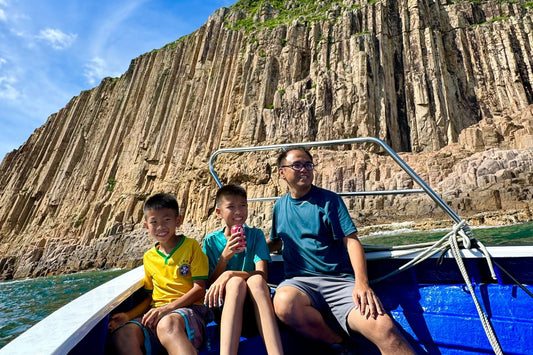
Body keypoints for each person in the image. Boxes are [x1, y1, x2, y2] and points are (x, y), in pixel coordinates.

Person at [269, 147, 414, 355]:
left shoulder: (329, 200)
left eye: (308, 165)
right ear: (282, 172)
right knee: (283, 303)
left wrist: (361, 283)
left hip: (339, 281)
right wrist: (249, 243)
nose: (304, 170)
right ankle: (339, 343)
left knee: (384, 328)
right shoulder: (279, 206)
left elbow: (352, 241)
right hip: (300, 283)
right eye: (297, 165)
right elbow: (276, 243)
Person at [109, 193, 210, 355]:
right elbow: (151, 298)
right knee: (123, 335)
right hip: (158, 312)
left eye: (166, 220)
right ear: (146, 226)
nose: (160, 227)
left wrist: (166, 309)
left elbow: (199, 289)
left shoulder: (191, 247)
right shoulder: (149, 257)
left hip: (189, 311)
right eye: (154, 222)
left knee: (167, 324)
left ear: (178, 220)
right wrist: (128, 315)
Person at [203, 184, 283, 355]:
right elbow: (209, 282)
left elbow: (262, 274)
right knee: (235, 283)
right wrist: (224, 258)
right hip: (222, 307)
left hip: (253, 307)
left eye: (243, 205)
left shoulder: (255, 235)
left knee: (253, 280)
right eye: (231, 207)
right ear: (219, 213)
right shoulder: (210, 241)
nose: (238, 211)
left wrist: (230, 273)